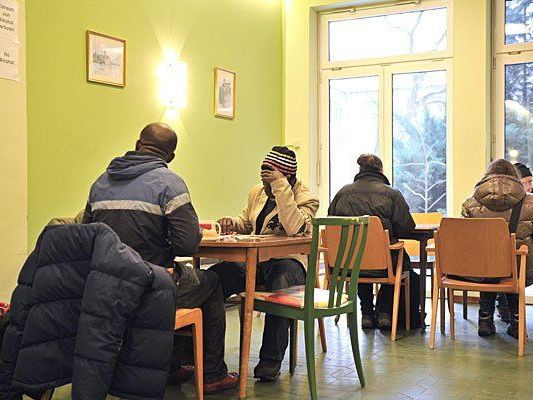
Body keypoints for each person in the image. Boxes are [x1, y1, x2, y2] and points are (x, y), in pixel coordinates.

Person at [82, 122, 238, 394]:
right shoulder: (170, 183)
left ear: (136, 144)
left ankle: (172, 365)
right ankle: (212, 374)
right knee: (211, 282)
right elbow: (188, 244)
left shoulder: (100, 182)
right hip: (147, 286)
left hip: (104, 287)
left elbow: (88, 235)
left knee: (182, 280)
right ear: (171, 156)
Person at [209, 146, 319, 382]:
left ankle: (270, 360)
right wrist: (233, 223)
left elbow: (295, 228)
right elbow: (247, 222)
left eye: (271, 179)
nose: (266, 186)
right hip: (257, 261)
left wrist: (281, 188)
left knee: (280, 283)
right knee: (214, 278)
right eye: (265, 180)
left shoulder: (307, 198)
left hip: (291, 262)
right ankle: (202, 361)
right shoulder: (257, 192)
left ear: (287, 175)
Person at [328, 154, 416, 330]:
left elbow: (332, 224)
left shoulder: (342, 193)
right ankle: (384, 311)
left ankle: (366, 312)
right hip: (383, 265)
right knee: (397, 260)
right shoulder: (392, 194)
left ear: (360, 170)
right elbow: (407, 228)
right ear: (380, 171)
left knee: (360, 259)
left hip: (347, 264)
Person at [462, 159, 533, 338]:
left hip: (483, 268)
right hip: (521, 268)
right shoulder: (530, 203)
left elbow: (467, 241)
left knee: (489, 262)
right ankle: (517, 322)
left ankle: (485, 319)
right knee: (513, 264)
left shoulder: (470, 204)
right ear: (515, 178)